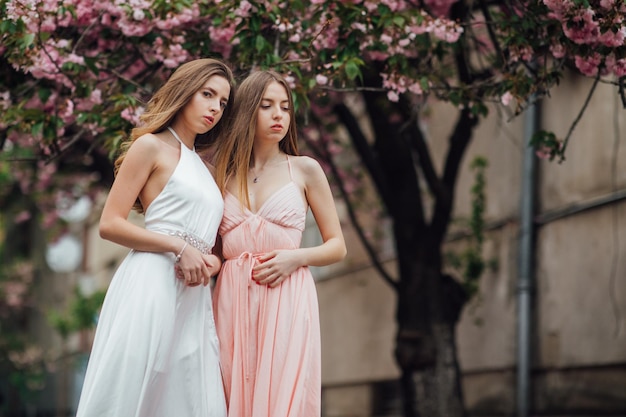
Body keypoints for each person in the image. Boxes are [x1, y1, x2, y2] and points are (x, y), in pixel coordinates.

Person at [75, 58, 234, 417]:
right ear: (184, 92)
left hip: (194, 297)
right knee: (132, 389)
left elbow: (214, 246)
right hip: (151, 283)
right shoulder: (150, 147)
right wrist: (179, 248)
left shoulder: (208, 169)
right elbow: (110, 223)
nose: (214, 108)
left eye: (222, 102)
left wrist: (213, 261)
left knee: (185, 396)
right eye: (207, 94)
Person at [211, 70, 347, 417]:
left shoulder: (304, 170)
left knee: (284, 396)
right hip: (230, 298)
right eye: (267, 105)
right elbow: (211, 248)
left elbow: (337, 246)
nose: (279, 115)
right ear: (245, 111)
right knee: (226, 391)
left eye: (285, 107)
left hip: (286, 293)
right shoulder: (220, 173)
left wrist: (295, 258)